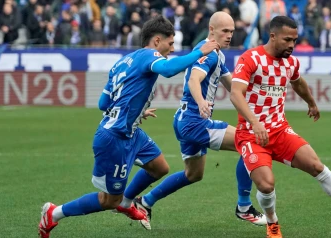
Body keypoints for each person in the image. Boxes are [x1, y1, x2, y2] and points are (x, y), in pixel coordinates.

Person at [38, 16, 220, 238]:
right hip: (114, 137)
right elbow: (169, 70)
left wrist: (134, 110)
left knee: (160, 167)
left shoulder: (122, 62)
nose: (172, 49)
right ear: (155, 41)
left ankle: (126, 201)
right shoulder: (148, 55)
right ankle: (53, 213)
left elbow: (103, 103)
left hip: (131, 131)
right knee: (107, 200)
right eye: (170, 44)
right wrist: (199, 52)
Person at [229, 16, 331, 238]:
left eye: (294, 40)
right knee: (266, 185)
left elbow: (298, 82)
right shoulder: (250, 58)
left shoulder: (290, 62)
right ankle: (273, 224)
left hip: (279, 130)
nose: (292, 45)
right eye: (287, 40)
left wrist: (311, 102)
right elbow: (236, 94)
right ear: (272, 36)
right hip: (251, 135)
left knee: (316, 165)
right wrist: (254, 122)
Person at [125, 11, 266, 230]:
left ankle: (145, 202)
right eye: (225, 31)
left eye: (232, 31)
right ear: (212, 30)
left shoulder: (216, 53)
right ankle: (244, 207)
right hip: (194, 121)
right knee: (249, 143)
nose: (230, 35)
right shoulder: (208, 52)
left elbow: (233, 87)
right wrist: (201, 102)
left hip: (184, 121)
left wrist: (260, 94)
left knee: (194, 174)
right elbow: (194, 79)